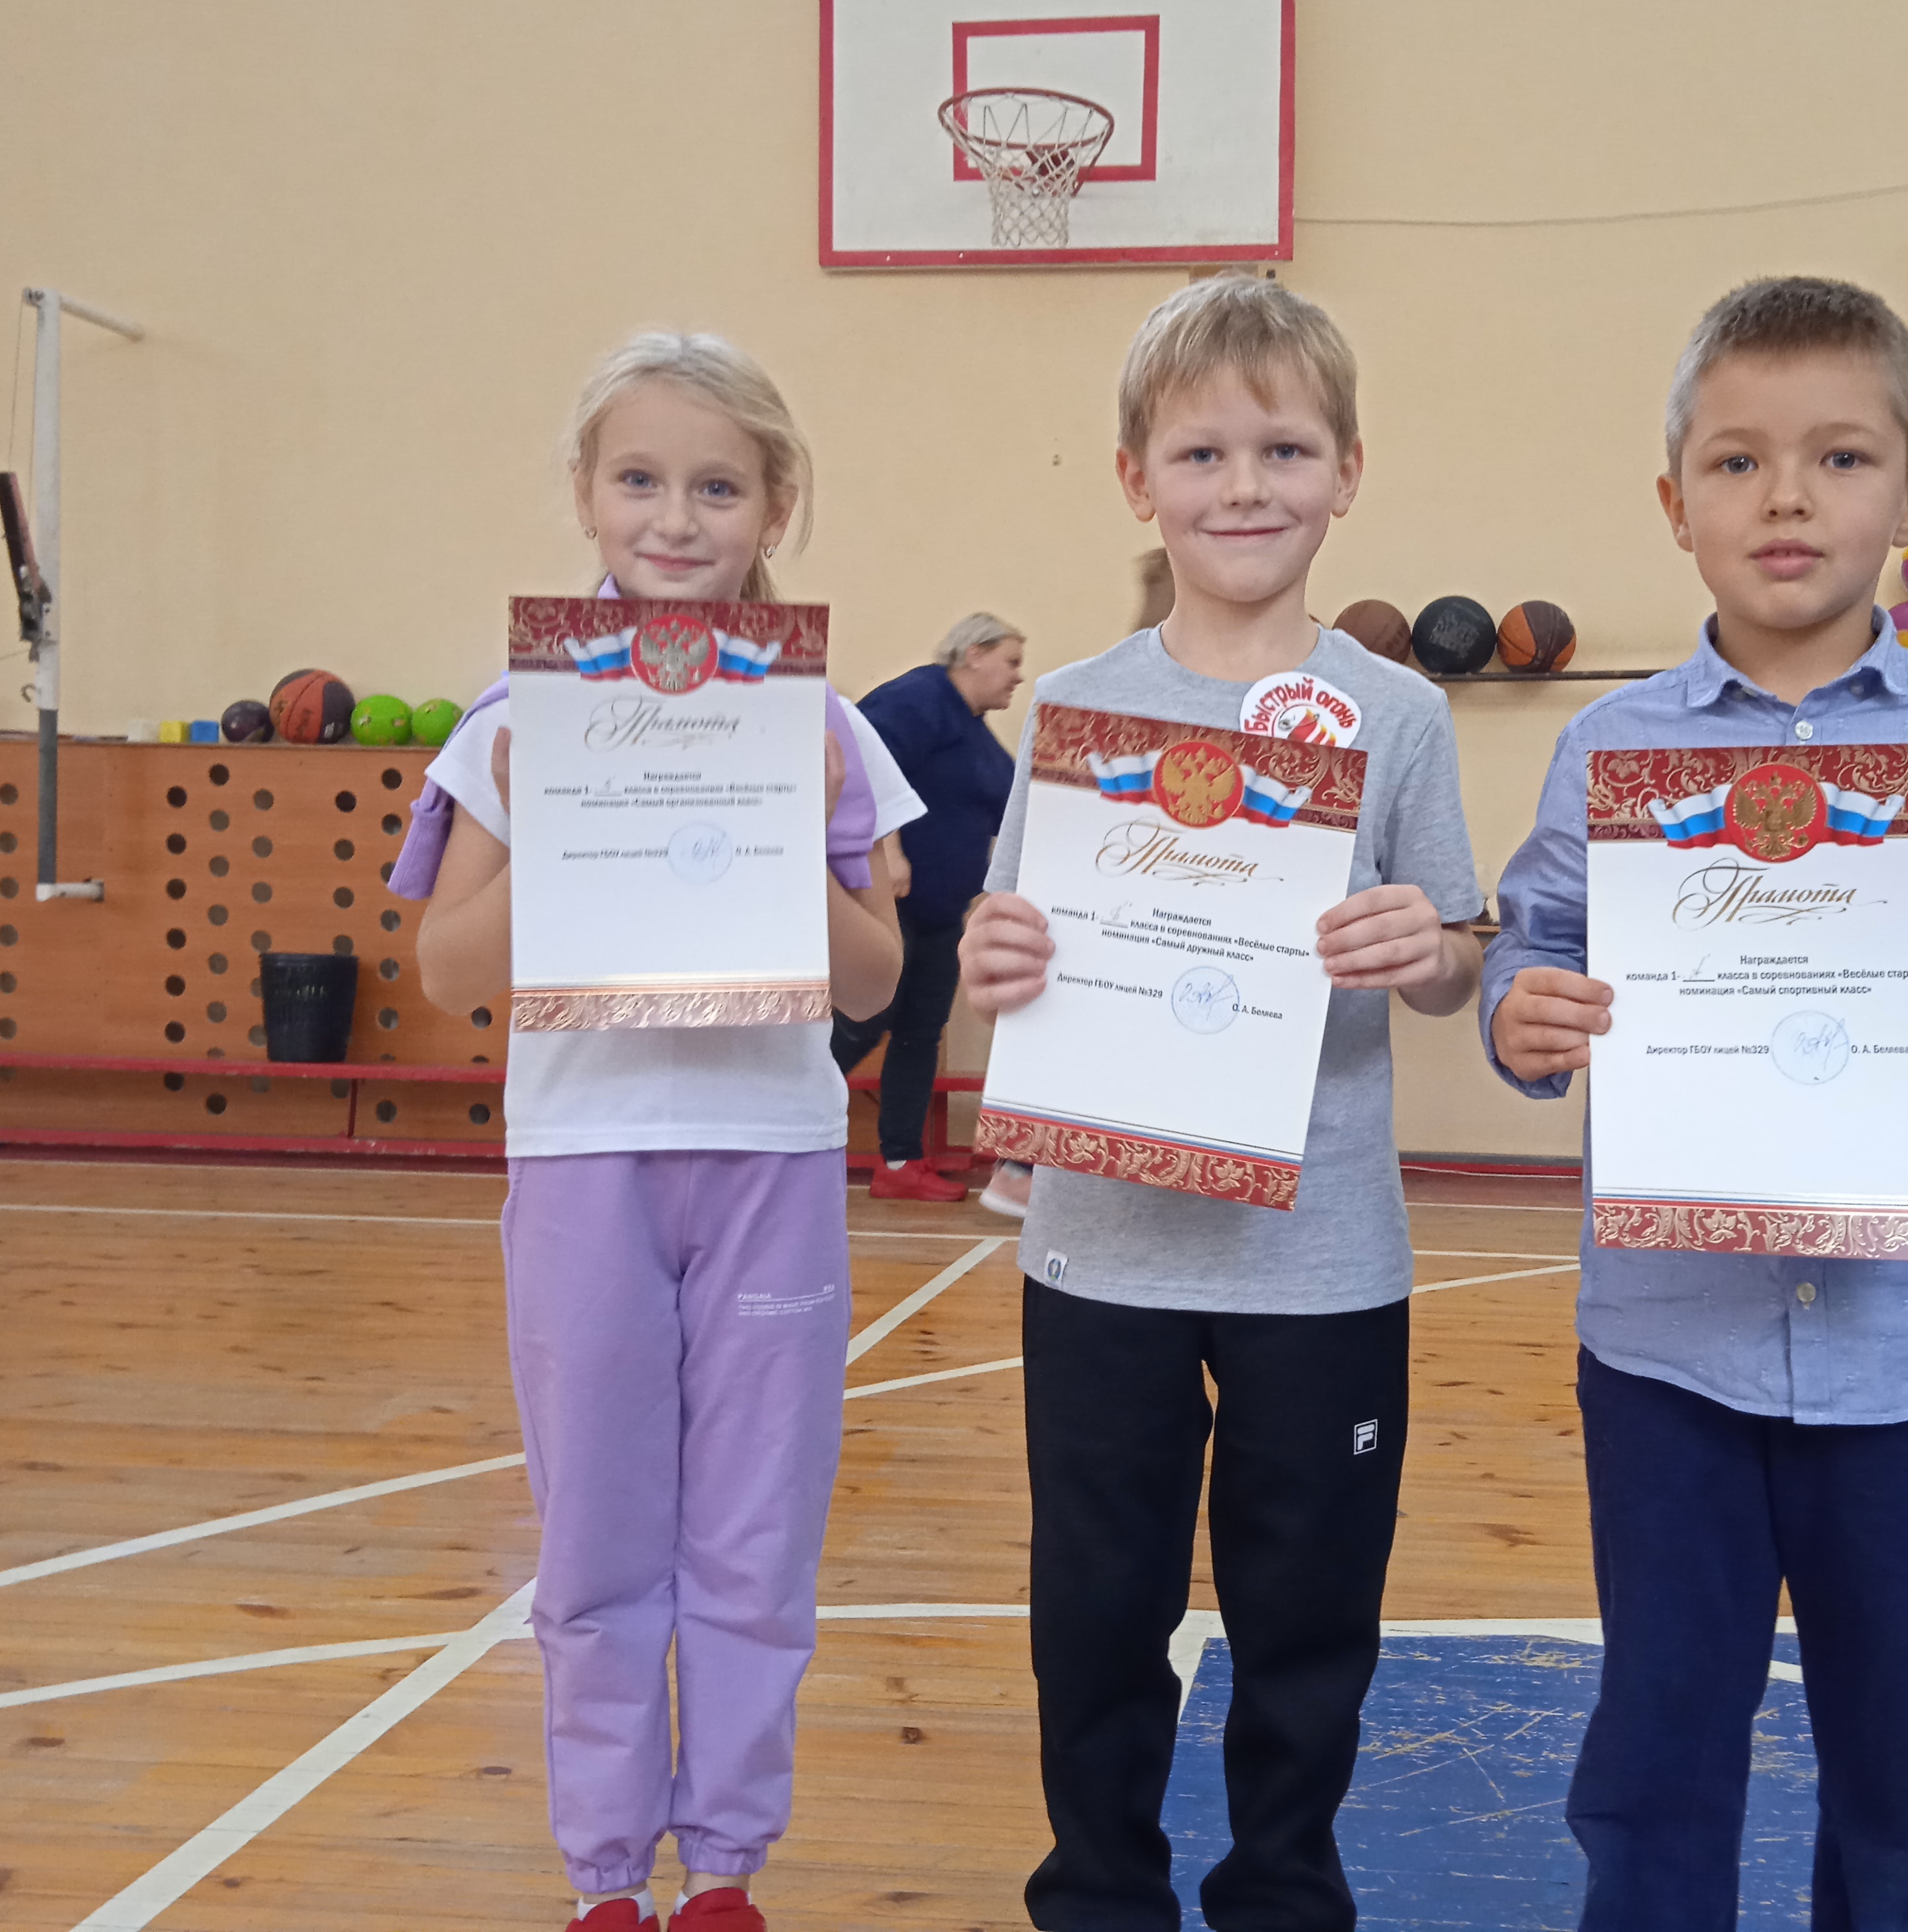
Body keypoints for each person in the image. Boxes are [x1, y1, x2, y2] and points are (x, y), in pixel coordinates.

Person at [1482, 276, 1908, 1931]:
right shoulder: (1611, 747)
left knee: (1901, 1772)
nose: (1787, 498)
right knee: (1656, 1758)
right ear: (1674, 503)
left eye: (1839, 458)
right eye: (1737, 461)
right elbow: (1533, 950)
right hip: (1669, 1354)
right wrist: (1520, 1016)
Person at [960, 273, 1484, 1932]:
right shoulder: (1075, 711)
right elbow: (1008, 944)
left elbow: (1462, 957)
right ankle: (1098, 1892)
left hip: (1320, 1258)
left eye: (1283, 449)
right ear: (1137, 480)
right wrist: (992, 953)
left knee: (1309, 1614)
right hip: (1099, 1250)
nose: (1243, 485)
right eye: (1200, 453)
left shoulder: (1398, 714)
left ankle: (1283, 1893)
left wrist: (1430, 948)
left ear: (1347, 472)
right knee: (1094, 1608)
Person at [401, 333, 921, 1932]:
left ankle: (727, 1869)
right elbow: (446, 970)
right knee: (599, 1538)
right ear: (584, 493)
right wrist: (572, 826)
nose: (675, 518)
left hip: (770, 1153)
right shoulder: (515, 719)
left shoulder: (827, 726)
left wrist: (786, 841)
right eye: (639, 479)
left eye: (717, 487)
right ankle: (607, 1875)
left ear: (777, 507)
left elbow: (877, 978)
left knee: (756, 1537)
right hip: (586, 1159)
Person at [831, 613, 1024, 1205]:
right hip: (897, 904)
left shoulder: (975, 734)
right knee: (864, 1023)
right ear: (974, 654)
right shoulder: (919, 699)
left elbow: (1009, 809)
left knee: (920, 1033)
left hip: (944, 913)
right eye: (1011, 661)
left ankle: (901, 1161)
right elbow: (862, 767)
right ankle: (782, 1119)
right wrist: (889, 851)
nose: (1018, 677)